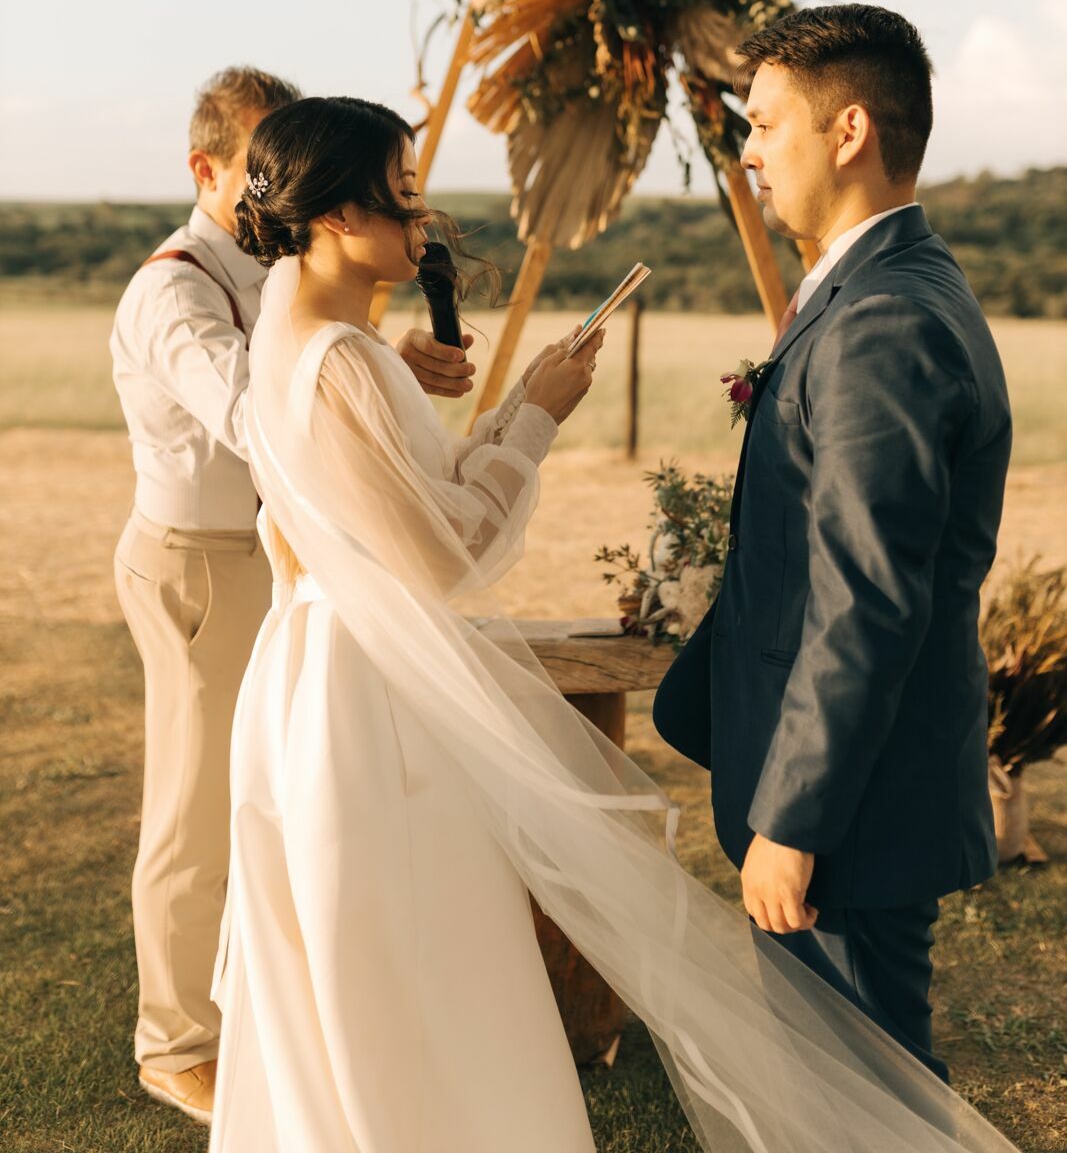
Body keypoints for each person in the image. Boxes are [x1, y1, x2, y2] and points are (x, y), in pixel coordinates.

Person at [209, 92, 1015, 1153]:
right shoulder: (347, 360)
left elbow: (379, 495)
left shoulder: (290, 324)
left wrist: (491, 410)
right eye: (401, 193)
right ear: (331, 215)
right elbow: (442, 550)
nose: (421, 218)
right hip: (368, 701)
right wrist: (533, 421)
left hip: (305, 675)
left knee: (345, 962)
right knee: (417, 952)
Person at [110, 68, 481, 1126]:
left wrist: (384, 366)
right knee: (193, 805)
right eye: (264, 162)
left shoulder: (282, 279)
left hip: (286, 554)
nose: (285, 182)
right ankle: (176, 1041)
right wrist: (371, 375)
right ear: (209, 168)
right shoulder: (175, 286)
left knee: (275, 798)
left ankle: (295, 1016)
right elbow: (265, 420)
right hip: (201, 555)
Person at [654, 4, 1012, 1083]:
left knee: (865, 1099)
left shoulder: (881, 319)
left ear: (846, 131)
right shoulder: (877, 281)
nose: (746, 150)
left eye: (763, 124)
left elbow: (865, 596)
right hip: (852, 784)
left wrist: (793, 820)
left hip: (847, 808)